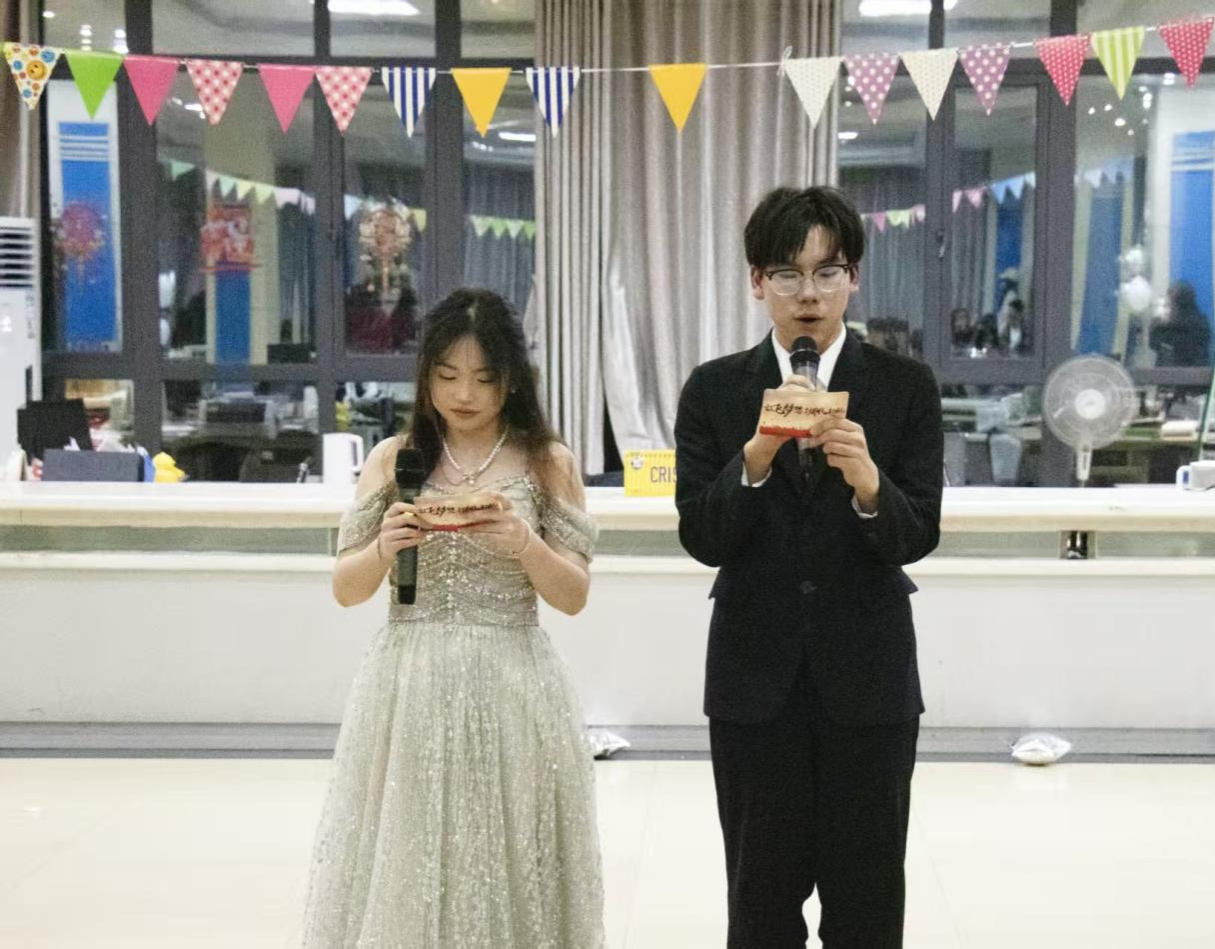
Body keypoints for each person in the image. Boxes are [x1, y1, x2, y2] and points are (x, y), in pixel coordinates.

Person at [674, 186, 943, 948]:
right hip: (754, 681)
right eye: (788, 274)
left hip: (870, 679)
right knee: (759, 901)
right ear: (757, 281)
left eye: (828, 272)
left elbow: (918, 534)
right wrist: (756, 457)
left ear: (853, 278)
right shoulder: (715, 388)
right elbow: (702, 536)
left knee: (868, 901)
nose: (809, 295)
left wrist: (869, 483)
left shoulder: (904, 386)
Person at [302, 288, 604, 948]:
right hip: (408, 686)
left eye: (483, 378)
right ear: (425, 376)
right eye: (446, 376)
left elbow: (573, 596)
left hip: (513, 683)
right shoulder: (395, 458)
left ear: (512, 380)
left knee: (510, 854)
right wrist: (383, 548)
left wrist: (524, 544)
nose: (463, 394)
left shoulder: (547, 462)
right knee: (410, 858)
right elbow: (346, 589)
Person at [1150, 280, 1212, 367]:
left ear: (1180, 306)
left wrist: (1159, 325)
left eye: (1169, 305)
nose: (1167, 311)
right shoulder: (1199, 322)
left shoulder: (1196, 326)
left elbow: (1176, 340)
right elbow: (1154, 344)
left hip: (1190, 372)